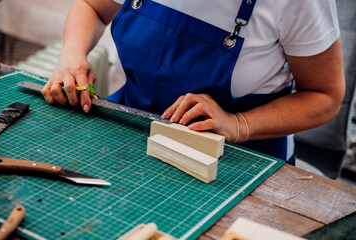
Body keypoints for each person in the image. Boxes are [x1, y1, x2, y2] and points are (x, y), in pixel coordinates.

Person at [41, 0, 345, 165]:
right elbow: (92, 6)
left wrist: (237, 124)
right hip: (130, 136)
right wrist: (72, 53)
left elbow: (325, 96)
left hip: (238, 162)